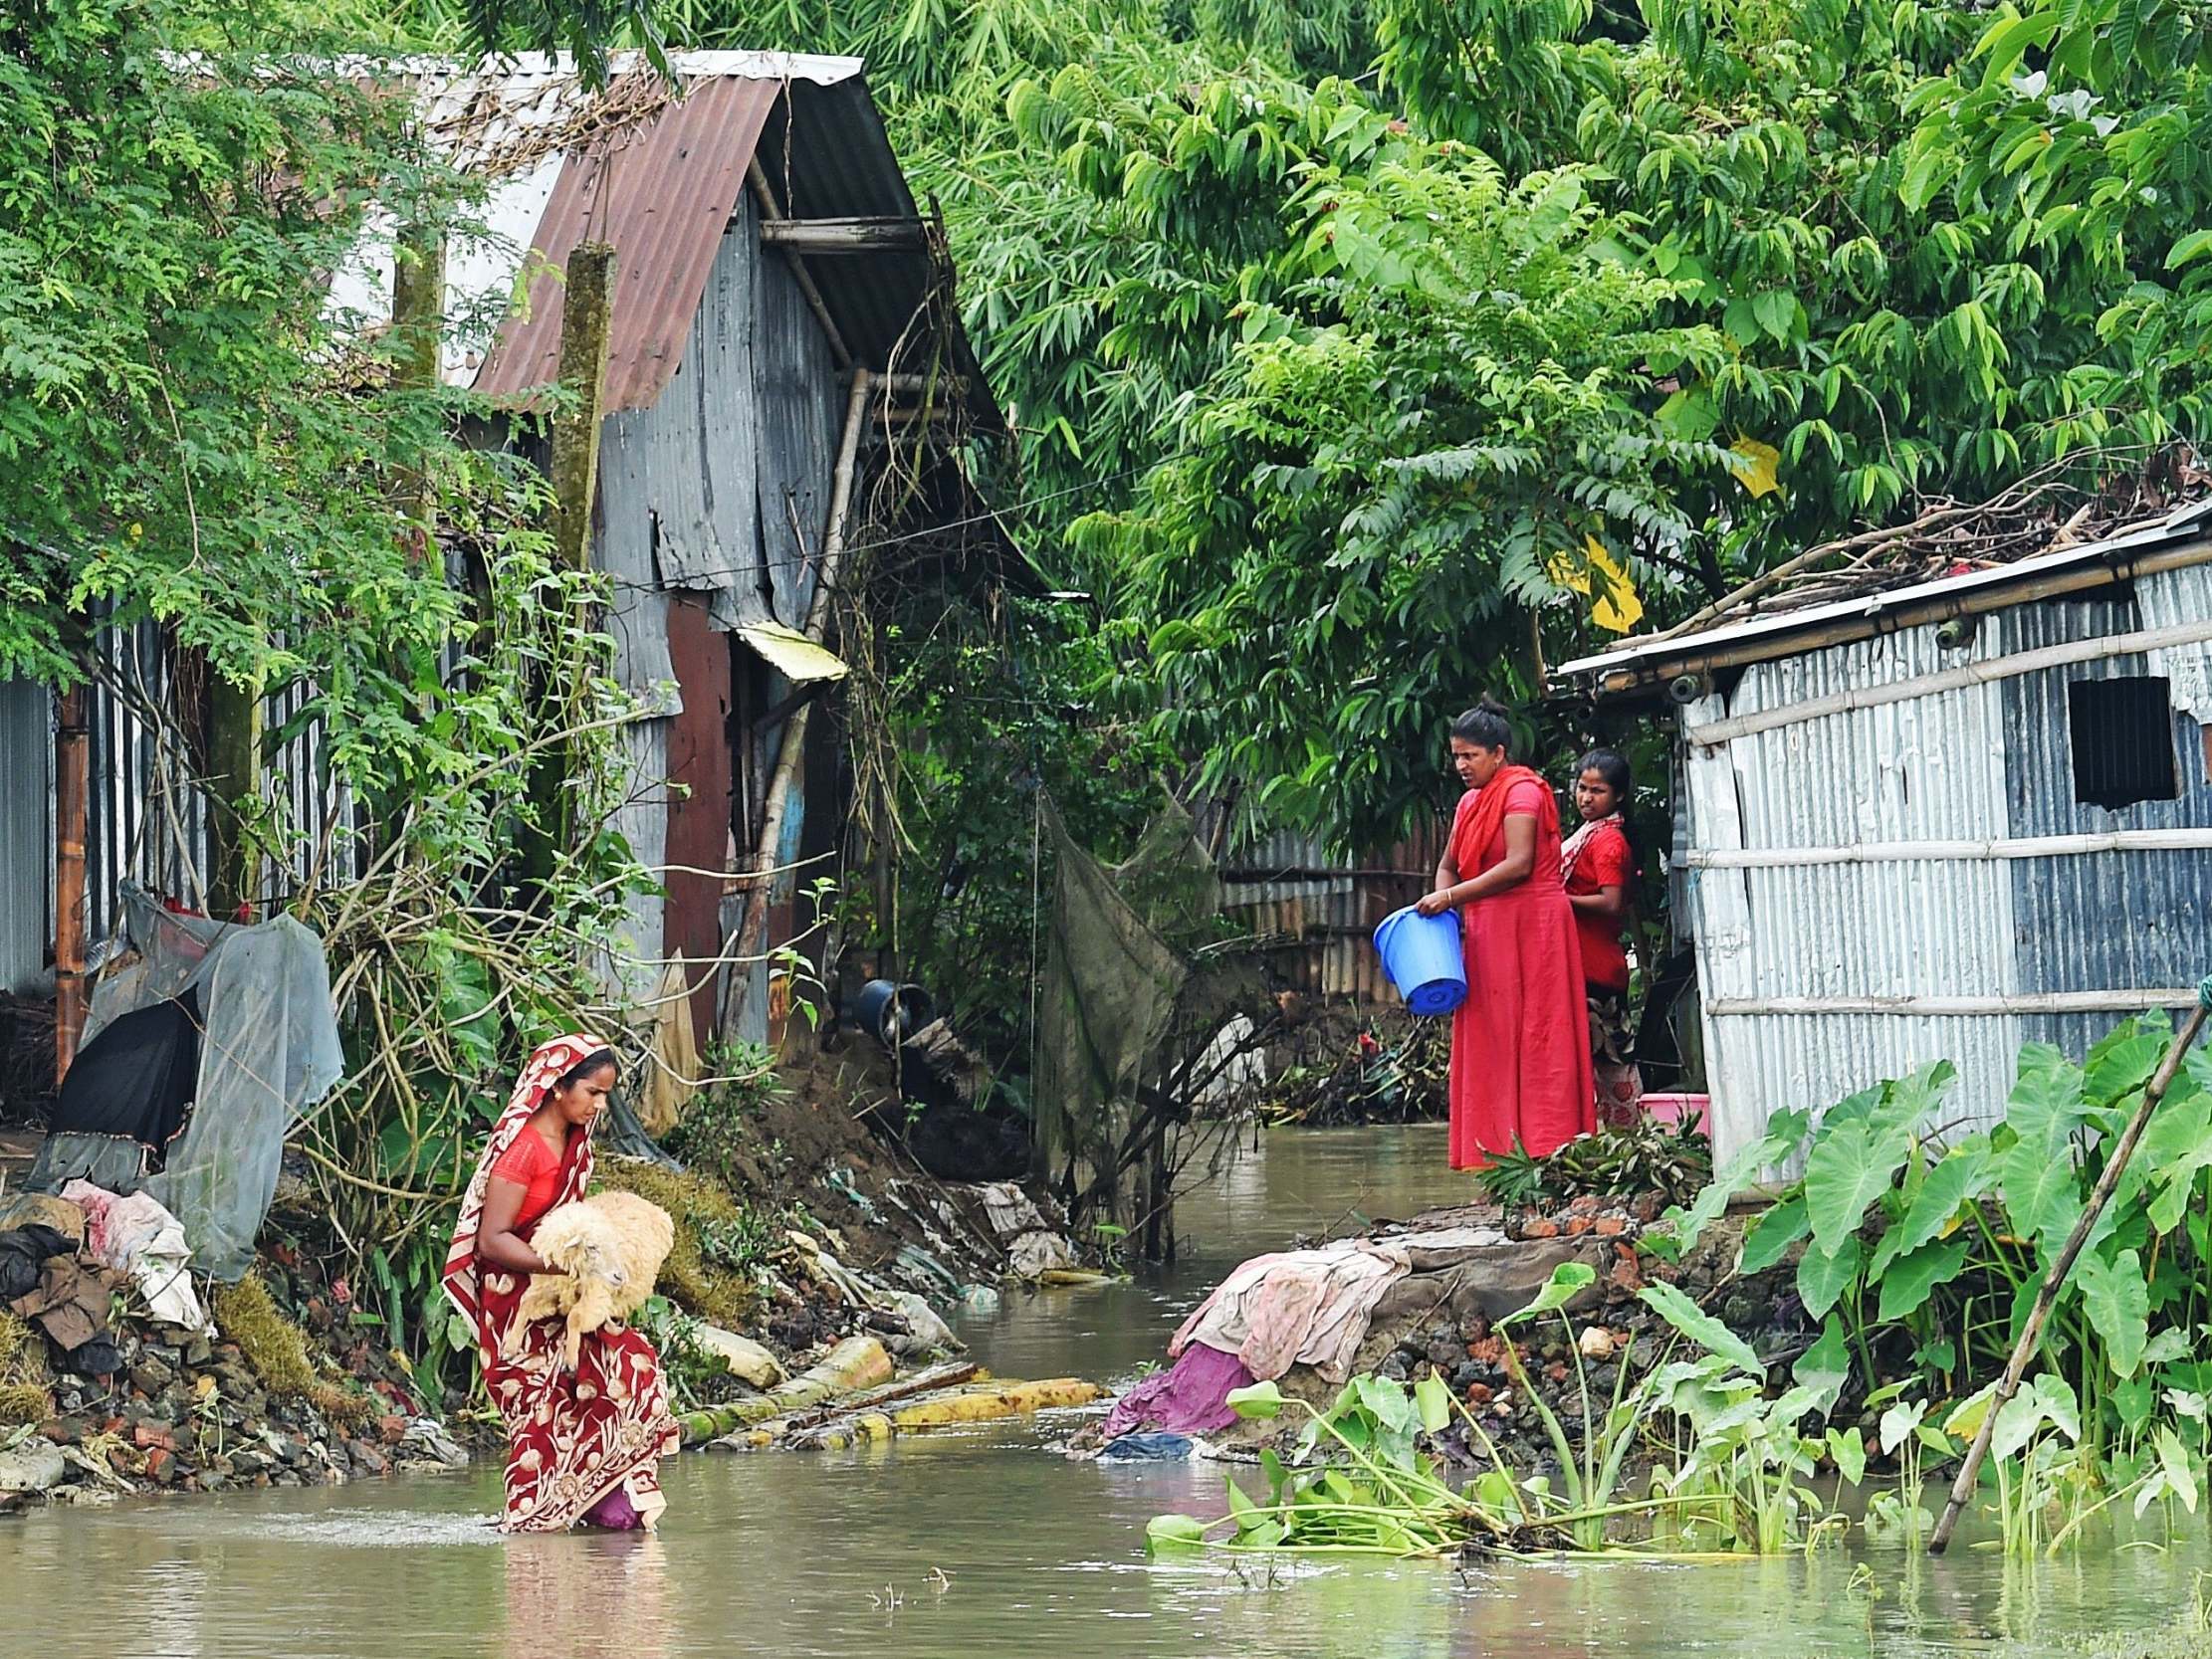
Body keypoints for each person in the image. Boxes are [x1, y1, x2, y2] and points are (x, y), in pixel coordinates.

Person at [442, 1034, 679, 1533]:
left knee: (630, 1370)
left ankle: (594, 1504)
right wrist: (565, 1268)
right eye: (592, 1092)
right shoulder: (524, 1152)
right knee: (541, 1415)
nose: (598, 1105)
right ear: (556, 1088)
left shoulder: (574, 1146)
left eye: (604, 1096)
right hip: (516, 1310)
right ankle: (534, 1522)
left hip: (559, 1299)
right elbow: (492, 1241)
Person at [1419, 701, 1595, 1168]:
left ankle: (1548, 1152)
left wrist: (1452, 899)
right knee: (1491, 1036)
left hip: (1535, 925)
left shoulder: (1523, 792)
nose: (1460, 765)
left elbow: (1518, 865)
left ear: (1498, 753)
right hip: (1485, 929)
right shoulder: (1468, 802)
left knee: (1541, 1034)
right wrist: (1447, 911)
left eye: (1469, 756)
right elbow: (1447, 867)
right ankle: (1497, 1159)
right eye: (1455, 756)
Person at [1563, 748, 1645, 1127]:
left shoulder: (1607, 842)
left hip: (1595, 968)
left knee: (1610, 1064)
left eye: (1597, 791)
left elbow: (1611, 902)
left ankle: (1626, 1143)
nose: (1586, 798)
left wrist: (1559, 901)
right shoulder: (1589, 835)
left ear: (1618, 796)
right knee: (1598, 1063)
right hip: (1587, 964)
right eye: (1582, 788)